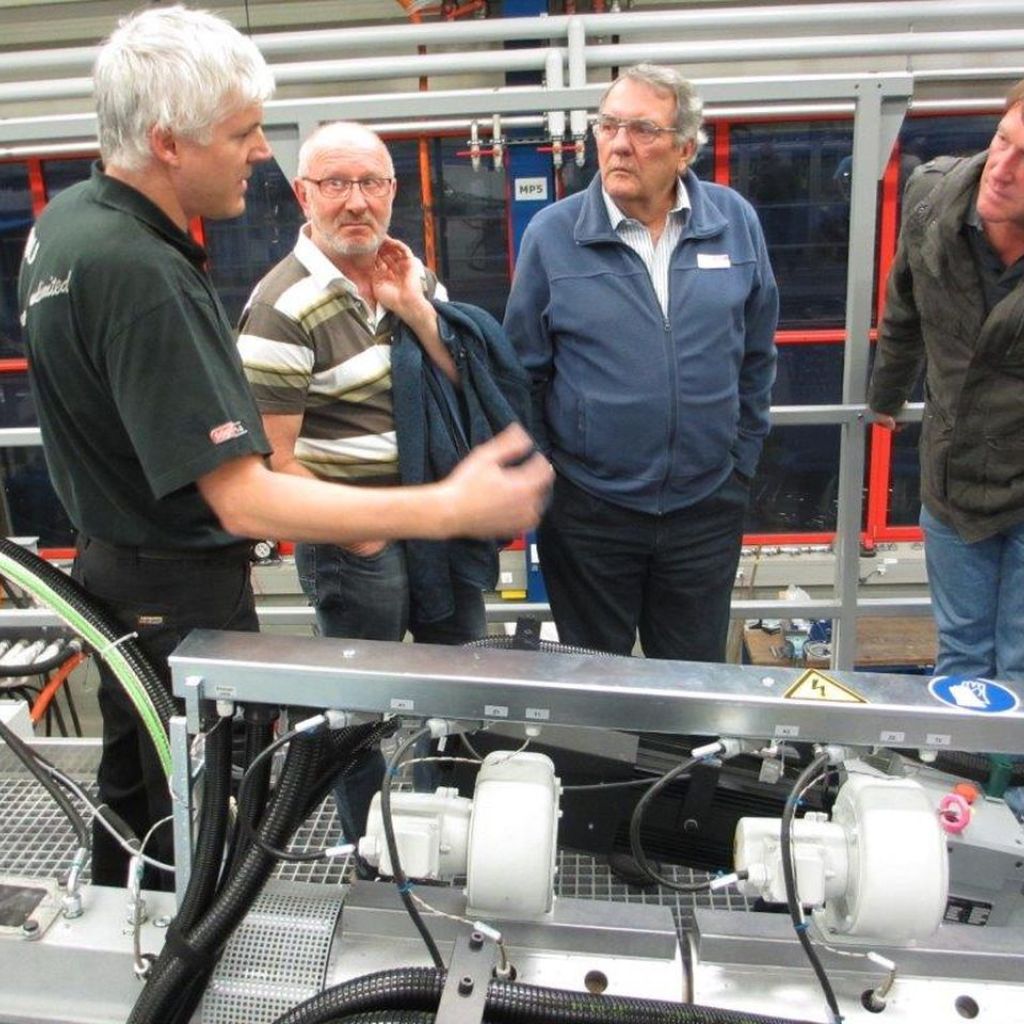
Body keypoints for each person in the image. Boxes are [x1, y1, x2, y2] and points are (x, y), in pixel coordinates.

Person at [16, 6, 551, 889]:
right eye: (242, 133)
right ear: (168, 142)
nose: (259, 152)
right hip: (173, 595)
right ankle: (192, 948)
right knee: (203, 819)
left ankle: (129, 928)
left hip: (125, 573)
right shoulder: (147, 275)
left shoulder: (68, 224)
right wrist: (446, 506)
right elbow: (246, 495)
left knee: (142, 801)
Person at [238, 121, 520, 848]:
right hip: (355, 546)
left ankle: (447, 840)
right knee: (357, 715)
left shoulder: (409, 273)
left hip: (438, 531)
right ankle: (373, 850)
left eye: (371, 182)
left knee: (456, 694)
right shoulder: (281, 308)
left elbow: (462, 386)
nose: (356, 201)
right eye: (335, 183)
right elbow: (270, 463)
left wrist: (415, 308)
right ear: (304, 194)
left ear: (394, 191)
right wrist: (365, 534)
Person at [504, 63, 778, 662]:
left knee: (692, 679)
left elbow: (757, 354)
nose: (620, 144)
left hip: (706, 506)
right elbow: (522, 373)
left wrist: (741, 461)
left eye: (643, 130)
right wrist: (550, 477)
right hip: (589, 512)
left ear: (685, 149)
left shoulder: (734, 223)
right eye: (608, 126)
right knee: (594, 680)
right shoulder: (553, 236)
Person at [868, 79, 1024, 683]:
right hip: (953, 483)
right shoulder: (932, 198)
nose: (1001, 170)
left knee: (1019, 665)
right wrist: (886, 396)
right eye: (1002, 141)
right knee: (962, 659)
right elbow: (903, 305)